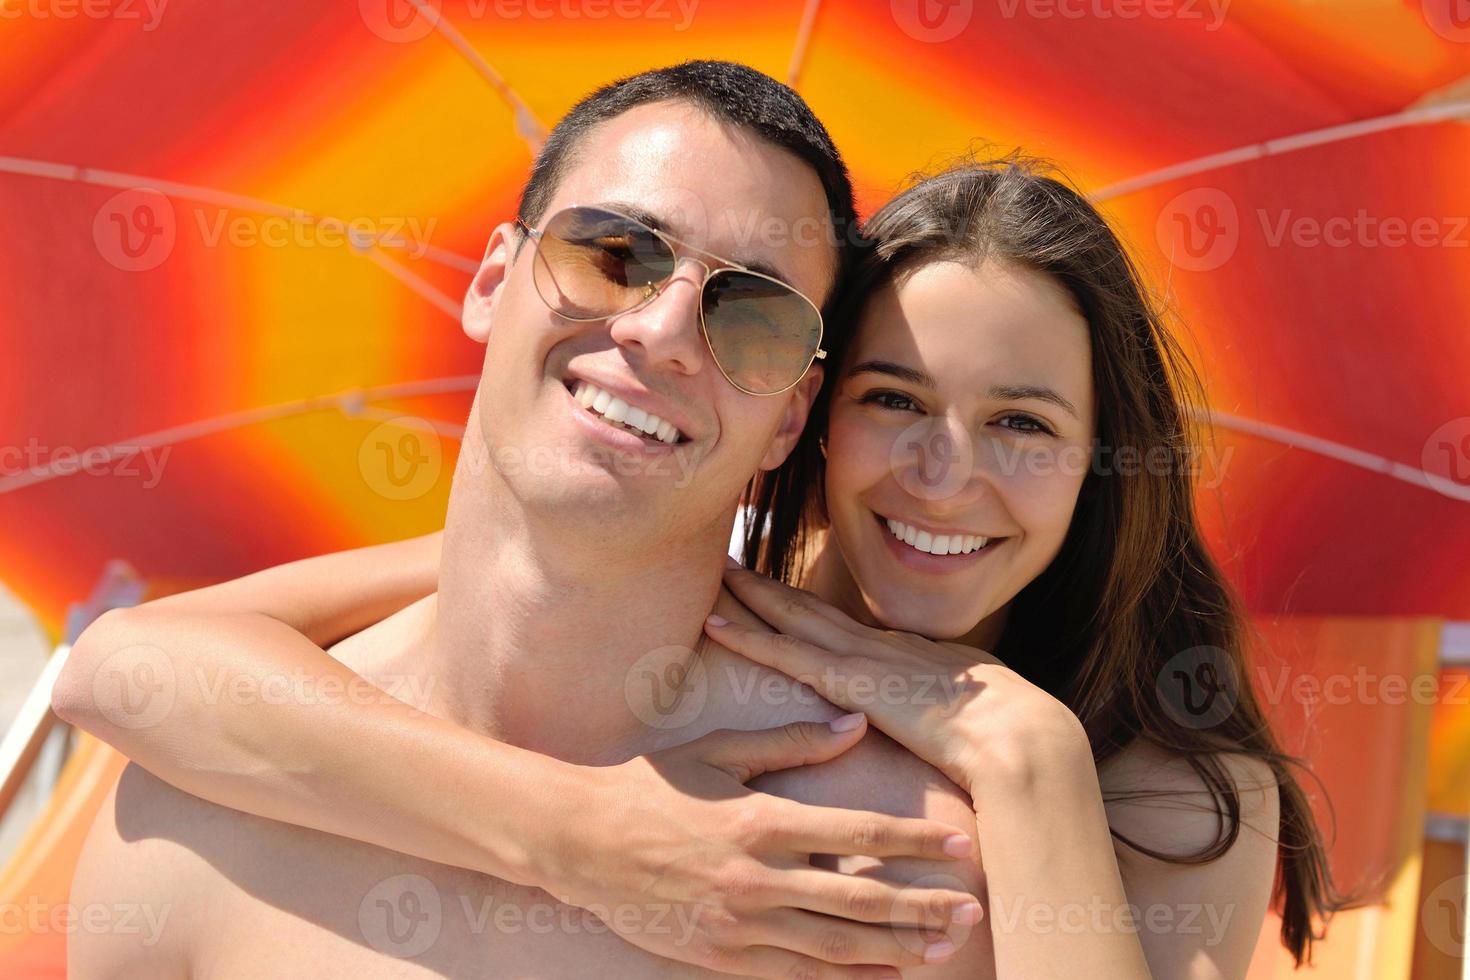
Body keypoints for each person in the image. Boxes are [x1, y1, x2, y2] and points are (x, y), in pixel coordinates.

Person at [58, 85, 1342, 980]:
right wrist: (585, 835)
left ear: (1100, 464)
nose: (943, 476)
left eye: (1021, 423)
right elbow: (122, 664)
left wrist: (1032, 753)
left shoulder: (1160, 789)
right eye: (891, 401)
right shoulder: (725, 592)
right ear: (811, 424)